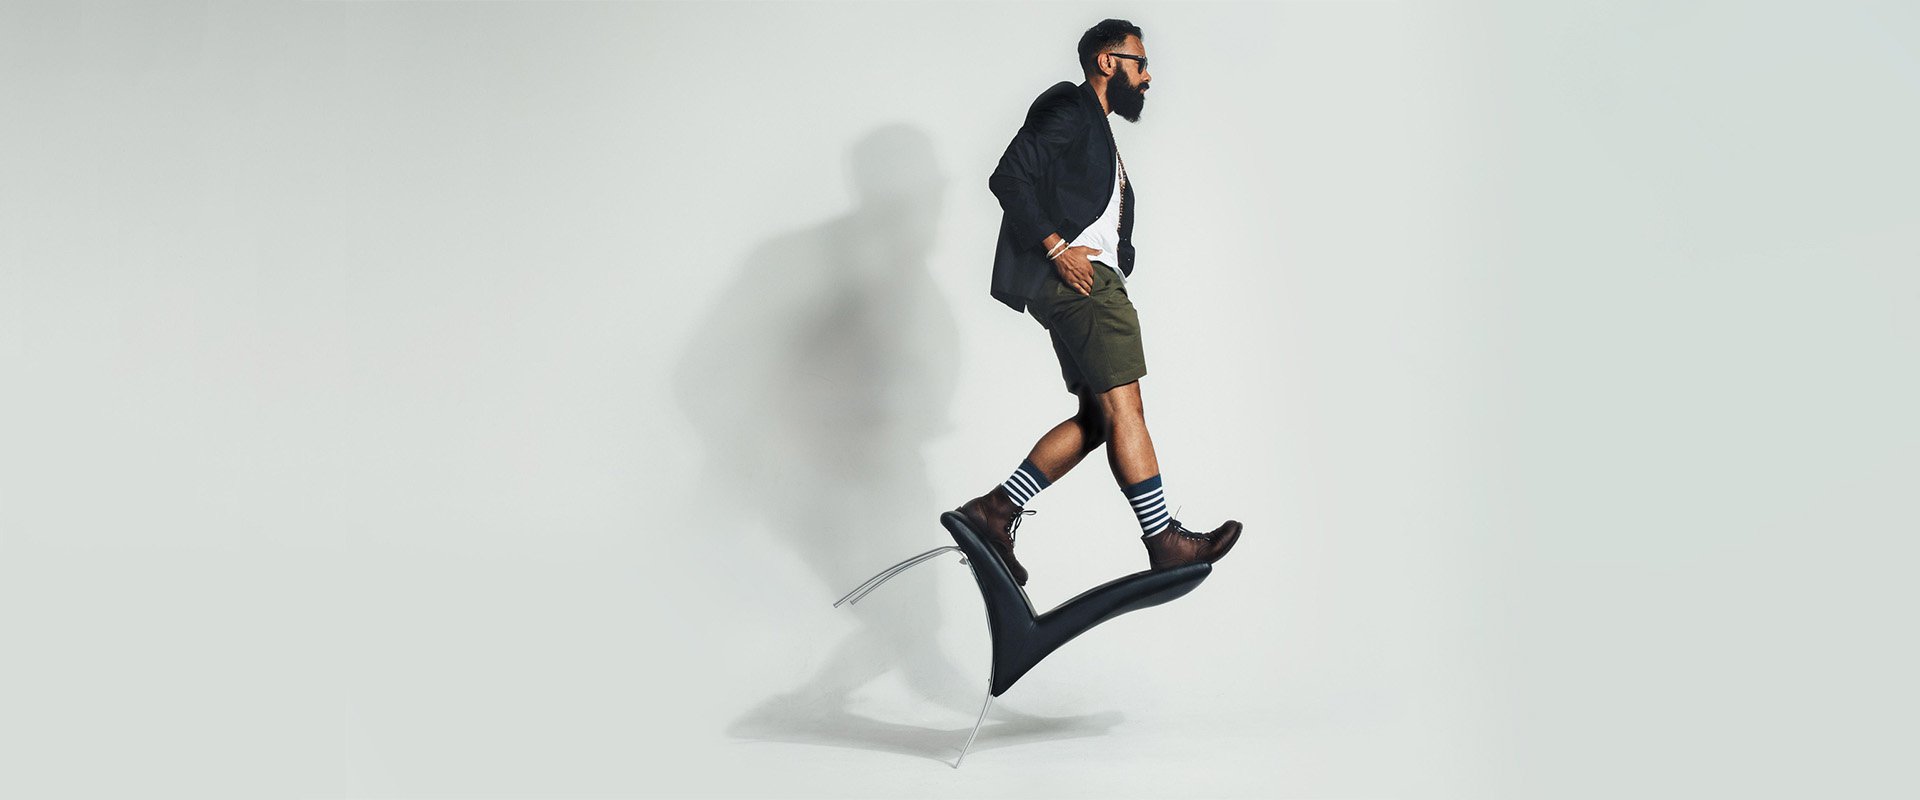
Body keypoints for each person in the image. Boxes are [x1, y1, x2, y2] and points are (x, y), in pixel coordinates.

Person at [955, 19, 1241, 586]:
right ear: (1108, 62)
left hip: (1081, 284)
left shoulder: (1099, 131)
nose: (1148, 75)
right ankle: (1163, 540)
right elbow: (1009, 177)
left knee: (1097, 419)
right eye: (1141, 63)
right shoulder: (1070, 105)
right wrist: (1057, 248)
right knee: (1125, 409)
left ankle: (994, 511)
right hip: (1083, 285)